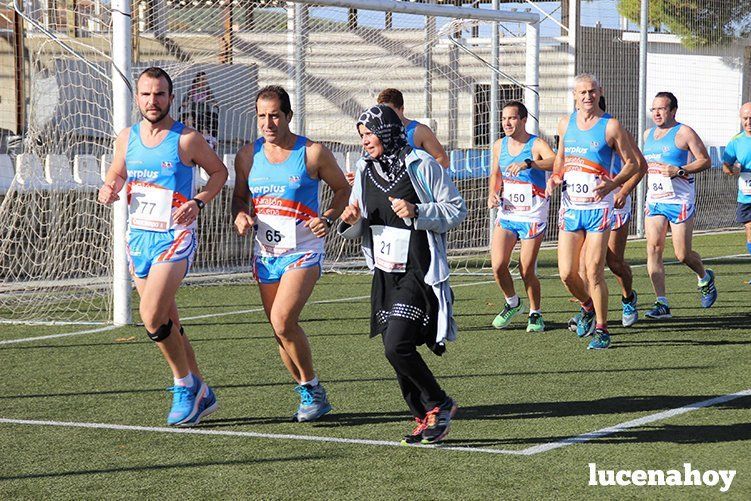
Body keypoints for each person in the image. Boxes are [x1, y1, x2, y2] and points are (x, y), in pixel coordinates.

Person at [98, 67, 228, 426]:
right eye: (146, 94)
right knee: (169, 319)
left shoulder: (186, 139)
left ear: (171, 98)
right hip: (138, 236)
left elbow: (219, 172)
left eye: (159, 94)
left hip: (175, 237)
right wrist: (108, 187)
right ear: (137, 97)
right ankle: (202, 391)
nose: (152, 101)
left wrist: (198, 202)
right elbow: (117, 173)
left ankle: (184, 385)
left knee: (151, 316)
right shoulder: (126, 137)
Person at [339, 104, 466, 444]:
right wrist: (350, 220)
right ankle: (424, 415)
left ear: (389, 131)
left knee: (396, 345)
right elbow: (360, 220)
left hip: (418, 268)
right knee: (395, 349)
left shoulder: (421, 164)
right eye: (363, 135)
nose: (366, 141)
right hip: (383, 271)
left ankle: (440, 402)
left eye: (371, 134)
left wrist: (418, 210)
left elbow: (456, 209)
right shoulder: (364, 170)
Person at [232, 85, 350, 422]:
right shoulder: (247, 155)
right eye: (261, 117)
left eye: (274, 116)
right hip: (267, 252)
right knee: (278, 328)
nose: (268, 123)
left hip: (304, 250)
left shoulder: (312, 153)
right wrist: (240, 215)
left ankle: (312, 389)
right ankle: (308, 390)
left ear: (288, 116)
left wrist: (327, 217)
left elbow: (342, 189)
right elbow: (239, 199)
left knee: (284, 320)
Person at [547, 73, 643, 350]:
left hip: (599, 208)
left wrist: (613, 185)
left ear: (600, 92)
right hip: (571, 207)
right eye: (582, 93)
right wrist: (555, 177)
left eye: (591, 91)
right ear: (574, 96)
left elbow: (634, 164)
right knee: (566, 273)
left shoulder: (611, 126)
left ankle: (602, 329)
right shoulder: (566, 123)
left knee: (593, 272)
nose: (587, 96)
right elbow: (561, 159)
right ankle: (587, 306)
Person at [567, 96, 647, 331]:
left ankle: (628, 297)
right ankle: (589, 313)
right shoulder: (573, 128)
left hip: (614, 201)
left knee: (614, 261)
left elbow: (639, 165)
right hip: (585, 206)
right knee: (584, 267)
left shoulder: (612, 129)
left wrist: (622, 190)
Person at [642, 91, 716, 318]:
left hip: (679, 201)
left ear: (673, 110)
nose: (656, 112)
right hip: (655, 200)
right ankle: (661, 303)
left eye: (661, 108)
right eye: (653, 108)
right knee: (653, 248)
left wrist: (680, 170)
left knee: (682, 254)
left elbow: (705, 160)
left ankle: (705, 277)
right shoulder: (647, 134)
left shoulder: (684, 132)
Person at [487, 101, 555, 332]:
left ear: (523, 120)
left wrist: (530, 163)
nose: (506, 123)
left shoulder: (536, 143)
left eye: (512, 118)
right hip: (508, 212)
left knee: (526, 269)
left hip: (533, 213)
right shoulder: (499, 145)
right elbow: (496, 174)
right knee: (498, 265)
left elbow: (556, 161)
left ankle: (535, 313)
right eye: (504, 118)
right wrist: (492, 194)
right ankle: (512, 303)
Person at [377, 88, 450, 168]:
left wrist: (420, 174)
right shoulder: (378, 133)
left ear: (402, 109)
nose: (386, 115)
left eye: (390, 112)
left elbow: (443, 160)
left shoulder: (419, 131)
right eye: (383, 112)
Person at [721, 102, 751, 284]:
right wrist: (732, 169)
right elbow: (726, 165)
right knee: (749, 230)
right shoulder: (736, 141)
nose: (749, 122)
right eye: (745, 118)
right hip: (746, 195)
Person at [181, 72, 219, 150]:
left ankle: (212, 138)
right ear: (198, 80)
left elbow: (212, 99)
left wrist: (215, 103)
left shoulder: (207, 90)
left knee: (214, 117)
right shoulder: (192, 89)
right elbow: (185, 100)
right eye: (203, 79)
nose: (205, 81)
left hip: (205, 110)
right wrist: (185, 103)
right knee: (188, 118)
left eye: (205, 79)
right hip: (194, 110)